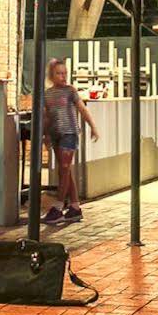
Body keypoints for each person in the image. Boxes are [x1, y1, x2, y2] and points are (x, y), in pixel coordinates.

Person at [40, 57, 98, 224]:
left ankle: (58, 208)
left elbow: (82, 109)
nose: (63, 76)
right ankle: (75, 208)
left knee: (64, 168)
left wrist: (93, 127)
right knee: (65, 171)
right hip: (56, 134)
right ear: (51, 75)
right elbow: (46, 116)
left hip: (69, 133)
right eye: (59, 73)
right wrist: (45, 135)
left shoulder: (70, 91)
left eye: (65, 73)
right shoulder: (47, 94)